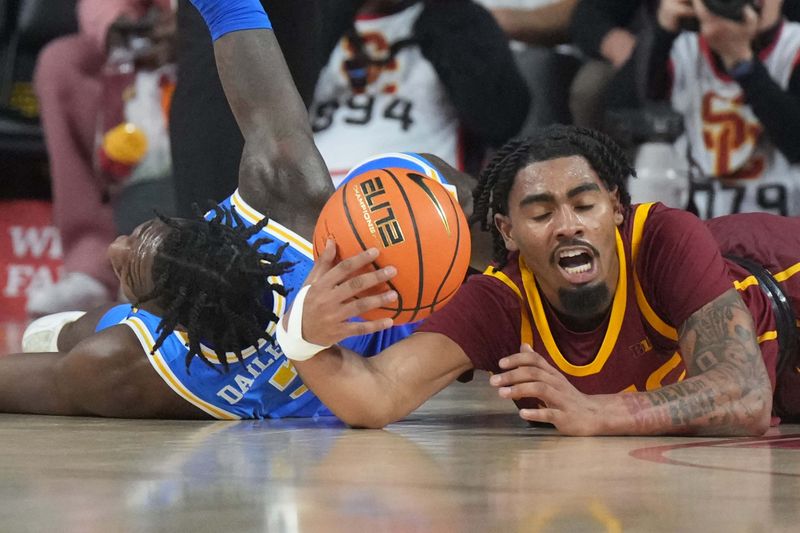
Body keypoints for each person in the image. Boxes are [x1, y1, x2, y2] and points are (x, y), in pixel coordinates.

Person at [3, 0, 475, 419]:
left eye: (129, 264)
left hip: (357, 362)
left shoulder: (129, 368)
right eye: (134, 250)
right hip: (370, 346)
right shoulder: (292, 201)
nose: (116, 246)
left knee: (66, 341)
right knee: (437, 184)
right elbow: (235, 12)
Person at [284, 123, 800, 436]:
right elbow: (377, 395)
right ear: (506, 232)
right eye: (540, 212)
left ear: (616, 208)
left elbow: (745, 395)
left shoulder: (663, 236)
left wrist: (597, 413)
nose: (568, 224)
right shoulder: (500, 301)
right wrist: (302, 336)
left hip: (785, 277)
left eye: (584, 204)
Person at [29, 0, 175, 317]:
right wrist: (115, 26)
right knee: (61, 62)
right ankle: (92, 264)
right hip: (142, 47)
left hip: (219, 42)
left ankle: (164, 267)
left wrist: (195, 29)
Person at [310, 0, 530, 184]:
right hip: (310, 193)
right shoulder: (315, 22)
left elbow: (502, 121)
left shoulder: (461, 20)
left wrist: (446, 15)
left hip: (417, 193)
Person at [643, 0, 800, 218]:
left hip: (786, 229)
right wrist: (662, 31)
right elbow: (630, 103)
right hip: (706, 228)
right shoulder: (684, 47)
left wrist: (742, 63)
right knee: (650, 156)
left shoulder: (794, 46)